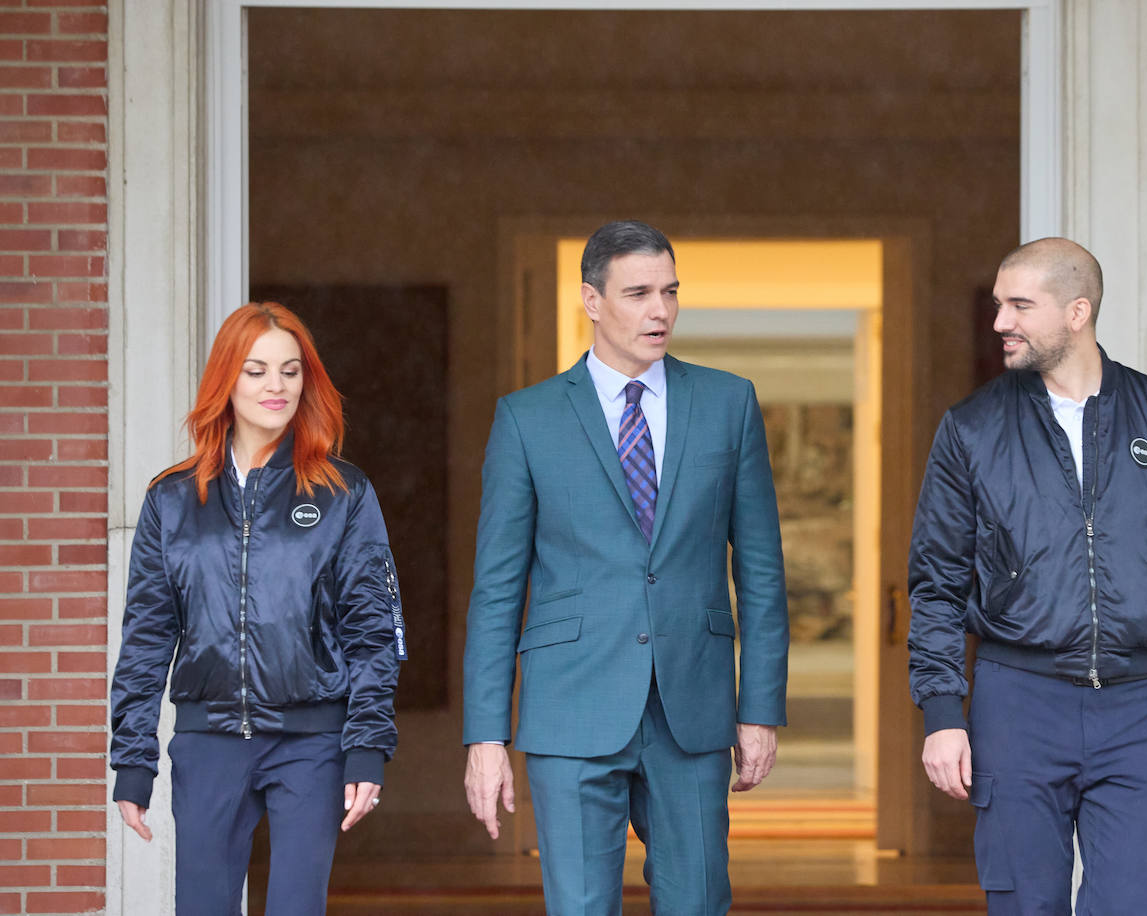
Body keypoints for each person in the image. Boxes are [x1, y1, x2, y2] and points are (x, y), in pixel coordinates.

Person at [462, 220, 789, 915]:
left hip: (693, 711)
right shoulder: (527, 418)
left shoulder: (728, 404)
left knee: (698, 902)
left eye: (670, 291)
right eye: (638, 293)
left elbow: (761, 571)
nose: (660, 310)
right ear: (591, 299)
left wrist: (759, 708)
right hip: (570, 708)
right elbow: (496, 591)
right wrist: (486, 735)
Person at [907, 238, 1147, 915]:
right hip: (1017, 704)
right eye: (1000, 305)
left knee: (1136, 904)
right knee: (1026, 905)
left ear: (1077, 312)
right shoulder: (972, 429)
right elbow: (936, 582)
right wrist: (943, 712)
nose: (1001, 322)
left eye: (1020, 305)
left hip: (1139, 705)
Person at [109, 302, 406, 916]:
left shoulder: (343, 493)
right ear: (226, 380)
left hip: (311, 744)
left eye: (291, 371)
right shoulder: (172, 499)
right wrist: (133, 760)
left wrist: (366, 746)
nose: (277, 386)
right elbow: (146, 638)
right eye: (257, 370)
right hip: (208, 741)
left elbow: (373, 631)